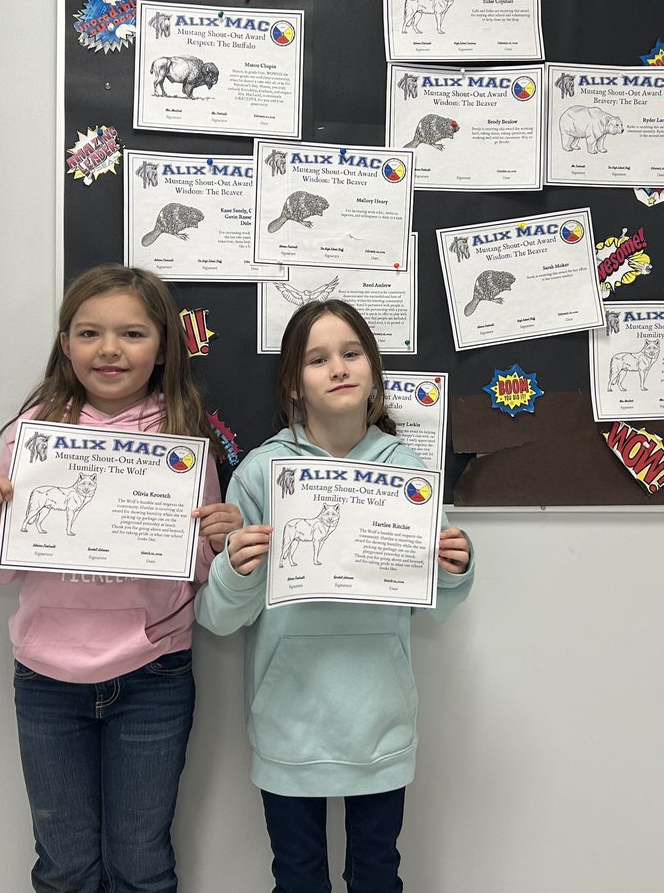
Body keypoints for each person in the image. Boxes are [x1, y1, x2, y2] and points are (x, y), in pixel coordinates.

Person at [0, 264, 242, 893]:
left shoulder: (181, 437)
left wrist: (215, 542)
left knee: (142, 863)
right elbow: (2, 570)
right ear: (66, 344)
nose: (110, 349)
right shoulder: (32, 436)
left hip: (153, 676)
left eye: (132, 334)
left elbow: (194, 571)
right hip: (46, 679)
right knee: (63, 866)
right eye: (90, 333)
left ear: (164, 346)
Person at [194, 299, 475, 893]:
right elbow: (219, 617)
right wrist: (238, 571)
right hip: (289, 724)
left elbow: (437, 601)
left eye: (351, 354)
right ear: (294, 384)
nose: (338, 368)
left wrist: (455, 566)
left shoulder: (407, 470)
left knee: (377, 873)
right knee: (298, 878)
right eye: (318, 359)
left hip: (381, 723)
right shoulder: (262, 473)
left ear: (373, 370)